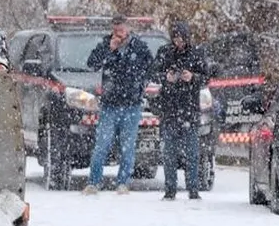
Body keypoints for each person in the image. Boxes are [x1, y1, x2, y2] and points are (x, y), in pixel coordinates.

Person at [83, 14, 155, 195]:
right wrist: (109, 49)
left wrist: (141, 85)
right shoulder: (105, 44)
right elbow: (91, 64)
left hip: (131, 104)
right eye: (115, 31)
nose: (118, 34)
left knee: (128, 146)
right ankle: (94, 182)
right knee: (102, 145)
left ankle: (123, 182)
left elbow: (151, 68)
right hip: (109, 104)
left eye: (121, 30)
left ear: (128, 29)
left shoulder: (138, 47)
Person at [153, 21, 211, 200]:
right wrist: (166, 77)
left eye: (182, 38)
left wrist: (192, 77)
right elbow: (153, 73)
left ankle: (193, 189)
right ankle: (170, 189)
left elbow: (206, 77)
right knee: (169, 153)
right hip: (169, 109)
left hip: (189, 109)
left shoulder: (196, 53)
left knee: (192, 154)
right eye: (176, 38)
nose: (179, 42)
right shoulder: (164, 53)